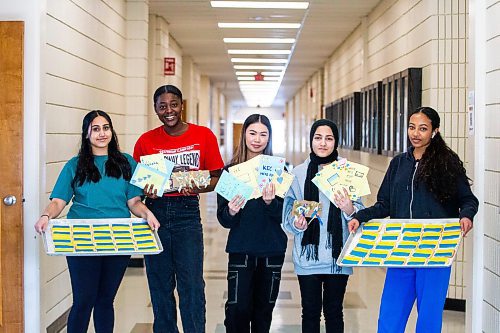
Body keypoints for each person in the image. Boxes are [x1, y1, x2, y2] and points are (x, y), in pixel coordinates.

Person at [348, 107, 479, 333]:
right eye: (411, 127)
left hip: (435, 252)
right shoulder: (398, 163)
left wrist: (466, 215)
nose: (415, 133)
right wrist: (360, 217)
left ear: (435, 132)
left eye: (423, 128)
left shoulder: (447, 162)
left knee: (428, 317)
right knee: (390, 316)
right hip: (401, 249)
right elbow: (385, 204)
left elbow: (468, 199)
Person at [34, 110, 160, 333]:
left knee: (105, 300)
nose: (102, 133)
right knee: (84, 301)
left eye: (106, 127)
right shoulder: (75, 165)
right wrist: (46, 215)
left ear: (111, 131)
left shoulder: (127, 163)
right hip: (82, 239)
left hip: (119, 239)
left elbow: (133, 202)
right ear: (86, 134)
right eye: (95, 129)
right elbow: (58, 201)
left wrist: (146, 213)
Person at [133, 84, 224, 333]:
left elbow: (217, 178)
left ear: (182, 105)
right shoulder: (145, 141)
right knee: (160, 284)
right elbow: (136, 186)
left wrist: (197, 184)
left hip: (187, 213)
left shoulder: (203, 136)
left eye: (173, 104)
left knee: (191, 285)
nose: (169, 111)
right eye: (162, 106)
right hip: (155, 213)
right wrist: (145, 192)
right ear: (156, 109)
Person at [282, 119, 364, 333]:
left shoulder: (347, 172)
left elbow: (359, 213)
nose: (323, 143)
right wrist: (297, 223)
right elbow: (288, 213)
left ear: (336, 142)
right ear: (311, 141)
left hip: (338, 257)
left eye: (329, 138)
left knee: (334, 311)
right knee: (309, 311)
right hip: (308, 256)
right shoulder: (298, 174)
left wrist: (348, 209)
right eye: (318, 138)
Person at [216, 114, 287, 333]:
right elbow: (223, 218)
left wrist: (270, 203)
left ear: (269, 138)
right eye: (252, 133)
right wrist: (231, 210)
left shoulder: (279, 172)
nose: (257, 139)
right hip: (241, 250)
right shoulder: (230, 172)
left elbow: (284, 215)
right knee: (237, 310)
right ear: (244, 134)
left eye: (263, 134)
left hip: (272, 251)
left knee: (264, 311)